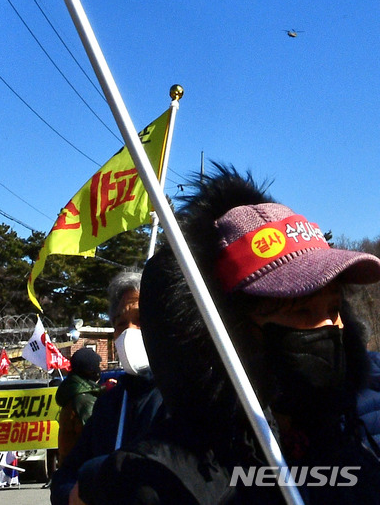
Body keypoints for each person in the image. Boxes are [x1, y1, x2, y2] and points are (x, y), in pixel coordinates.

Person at [84, 165, 380, 504]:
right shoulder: (173, 480)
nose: (331, 327)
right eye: (302, 312)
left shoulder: (354, 427)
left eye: (334, 309)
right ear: (235, 333)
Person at [50, 271, 163, 505]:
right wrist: (74, 494)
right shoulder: (110, 404)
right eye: (121, 324)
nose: (130, 332)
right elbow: (66, 477)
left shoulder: (187, 395)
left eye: (140, 319)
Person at [55, 347, 103, 464]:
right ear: (90, 370)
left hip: (70, 465)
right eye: (98, 366)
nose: (100, 369)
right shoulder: (84, 400)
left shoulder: (74, 394)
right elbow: (95, 436)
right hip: (81, 469)